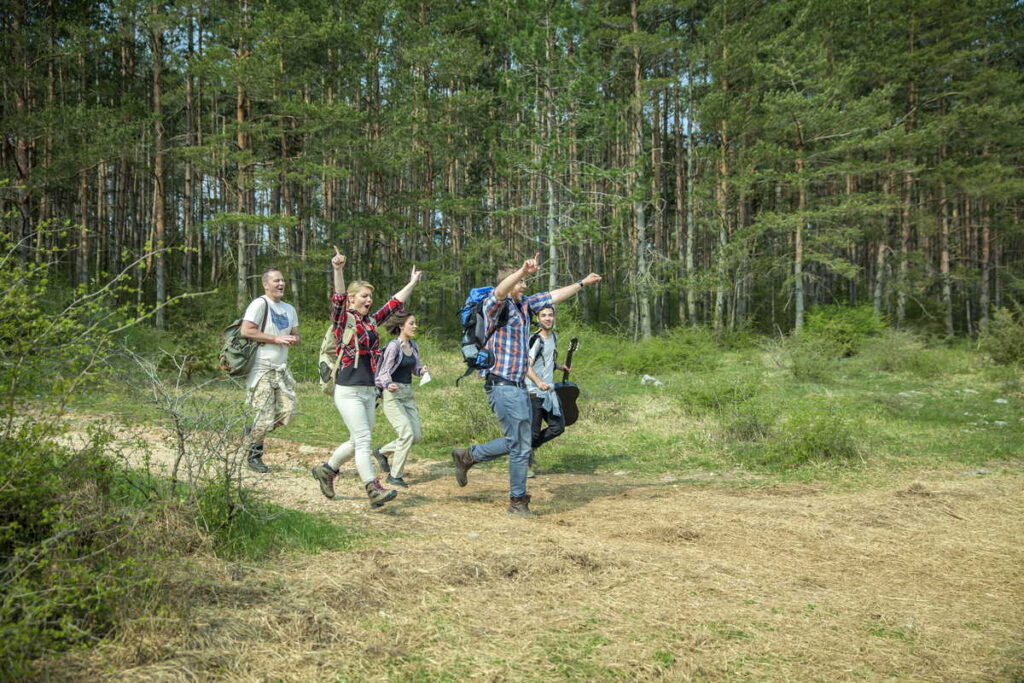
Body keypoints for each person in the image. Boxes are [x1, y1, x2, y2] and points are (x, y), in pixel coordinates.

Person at [451, 254, 601, 516]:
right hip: (502, 384)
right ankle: (517, 501)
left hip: (518, 386)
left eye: (525, 283)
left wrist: (582, 283)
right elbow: (500, 290)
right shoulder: (496, 305)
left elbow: (553, 296)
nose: (524, 286)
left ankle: (468, 456)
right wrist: (521, 271)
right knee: (521, 445)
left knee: (519, 442)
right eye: (520, 283)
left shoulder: (524, 306)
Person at [310, 247, 422, 508]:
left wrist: (412, 283)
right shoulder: (343, 320)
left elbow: (394, 304)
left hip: (368, 390)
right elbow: (337, 298)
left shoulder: (371, 322)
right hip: (347, 389)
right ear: (352, 298)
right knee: (363, 441)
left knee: (356, 439)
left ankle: (327, 470)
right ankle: (373, 488)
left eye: (370, 296)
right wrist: (338, 269)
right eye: (364, 296)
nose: (369, 300)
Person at [240, 267, 300, 473]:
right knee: (264, 418)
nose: (281, 284)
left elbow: (295, 333)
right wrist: (275, 338)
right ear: (265, 284)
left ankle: (254, 430)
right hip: (261, 369)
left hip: (281, 370)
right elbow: (246, 330)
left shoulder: (289, 309)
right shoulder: (259, 304)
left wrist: (293, 339)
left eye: (282, 280)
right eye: (276, 281)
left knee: (289, 411)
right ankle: (254, 457)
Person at [370, 311, 428, 488]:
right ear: (402, 326)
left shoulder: (413, 345)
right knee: (406, 434)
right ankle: (395, 475)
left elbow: (414, 368)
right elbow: (384, 372)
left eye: (415, 323)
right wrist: (387, 384)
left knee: (415, 436)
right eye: (412, 323)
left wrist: (422, 371)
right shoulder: (394, 347)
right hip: (393, 396)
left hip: (408, 395)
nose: (415, 326)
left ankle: (381, 452)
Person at [524, 304, 566, 477]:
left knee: (558, 427)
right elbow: (526, 366)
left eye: (550, 315)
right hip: (534, 391)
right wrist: (539, 382)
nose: (548, 318)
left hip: (549, 391)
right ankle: (523, 463)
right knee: (533, 432)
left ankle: (528, 450)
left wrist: (559, 366)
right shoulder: (535, 340)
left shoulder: (554, 336)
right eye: (543, 315)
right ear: (538, 318)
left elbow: (546, 360)